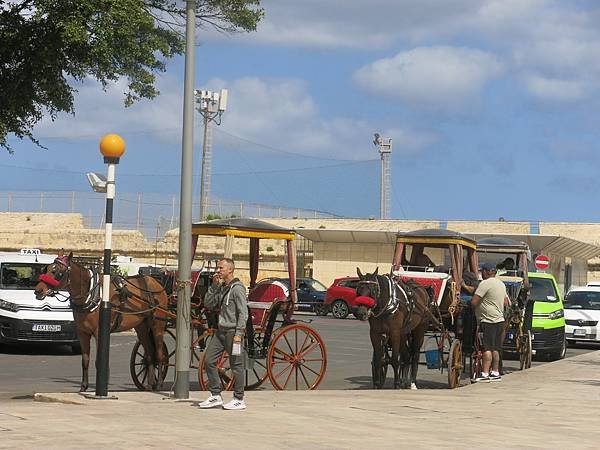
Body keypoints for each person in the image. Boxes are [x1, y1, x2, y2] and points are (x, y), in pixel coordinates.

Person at [199, 258, 248, 410]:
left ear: (230, 270)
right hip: (221, 331)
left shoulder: (237, 288)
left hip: (233, 332)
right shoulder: (222, 287)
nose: (218, 270)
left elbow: (243, 313)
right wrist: (213, 286)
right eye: (218, 267)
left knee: (236, 366)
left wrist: (239, 333)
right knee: (208, 361)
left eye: (221, 268)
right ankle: (215, 395)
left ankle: (239, 398)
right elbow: (208, 303)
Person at [471, 262, 509, 383]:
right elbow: (506, 302)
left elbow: (474, 301)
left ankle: (485, 373)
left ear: (486, 272)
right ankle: (495, 372)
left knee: (486, 348)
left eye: (482, 271)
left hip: (488, 320)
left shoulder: (485, 283)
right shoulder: (501, 284)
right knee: (496, 348)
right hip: (499, 320)